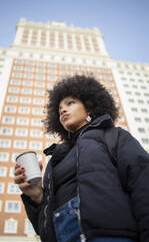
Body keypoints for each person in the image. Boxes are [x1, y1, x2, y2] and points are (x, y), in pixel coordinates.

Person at [14, 75, 149, 242]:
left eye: (70, 103)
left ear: (89, 108)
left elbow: (143, 184)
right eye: (59, 108)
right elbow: (44, 228)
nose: (62, 110)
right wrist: (36, 197)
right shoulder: (55, 159)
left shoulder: (114, 136)